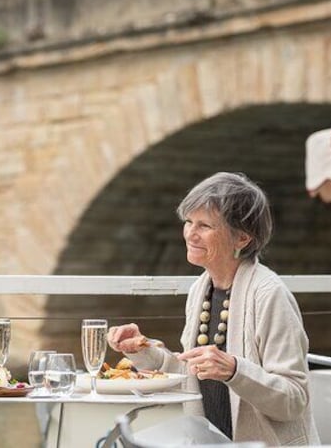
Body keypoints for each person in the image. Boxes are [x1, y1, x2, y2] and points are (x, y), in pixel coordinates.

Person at [107, 172, 319, 445]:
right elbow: (194, 374)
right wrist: (146, 351)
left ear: (242, 238)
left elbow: (294, 399)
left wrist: (234, 371)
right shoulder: (201, 289)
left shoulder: (269, 294)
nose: (190, 234)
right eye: (188, 222)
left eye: (204, 226)